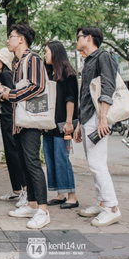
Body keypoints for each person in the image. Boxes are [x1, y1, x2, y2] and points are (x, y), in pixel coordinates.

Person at [0, 24, 51, 229]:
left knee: (33, 163)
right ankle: (32, 203)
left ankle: (43, 211)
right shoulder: (19, 63)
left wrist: (11, 94)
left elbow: (38, 86)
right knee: (26, 163)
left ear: (21, 39)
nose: (8, 40)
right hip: (21, 120)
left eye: (11, 37)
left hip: (31, 121)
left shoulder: (33, 59)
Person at [73, 26, 122, 227]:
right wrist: (78, 123)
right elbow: (84, 94)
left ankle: (112, 207)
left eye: (79, 37)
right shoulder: (88, 60)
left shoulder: (103, 57)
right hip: (87, 118)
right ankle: (102, 202)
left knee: (97, 164)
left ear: (90, 38)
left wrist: (103, 118)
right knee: (93, 163)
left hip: (96, 117)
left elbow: (108, 86)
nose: (76, 41)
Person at [0, 48, 27, 206]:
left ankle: (23, 190)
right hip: (6, 117)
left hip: (10, 118)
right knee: (10, 155)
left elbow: (12, 94)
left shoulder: (6, 74)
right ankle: (17, 190)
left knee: (14, 154)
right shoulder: (2, 75)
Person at [43, 41, 79, 209]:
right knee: (50, 159)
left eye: (46, 52)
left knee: (61, 158)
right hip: (49, 123)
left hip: (63, 123)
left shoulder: (68, 73)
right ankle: (60, 193)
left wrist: (70, 122)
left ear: (55, 53)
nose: (44, 55)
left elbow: (70, 99)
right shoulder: (49, 74)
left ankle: (72, 196)